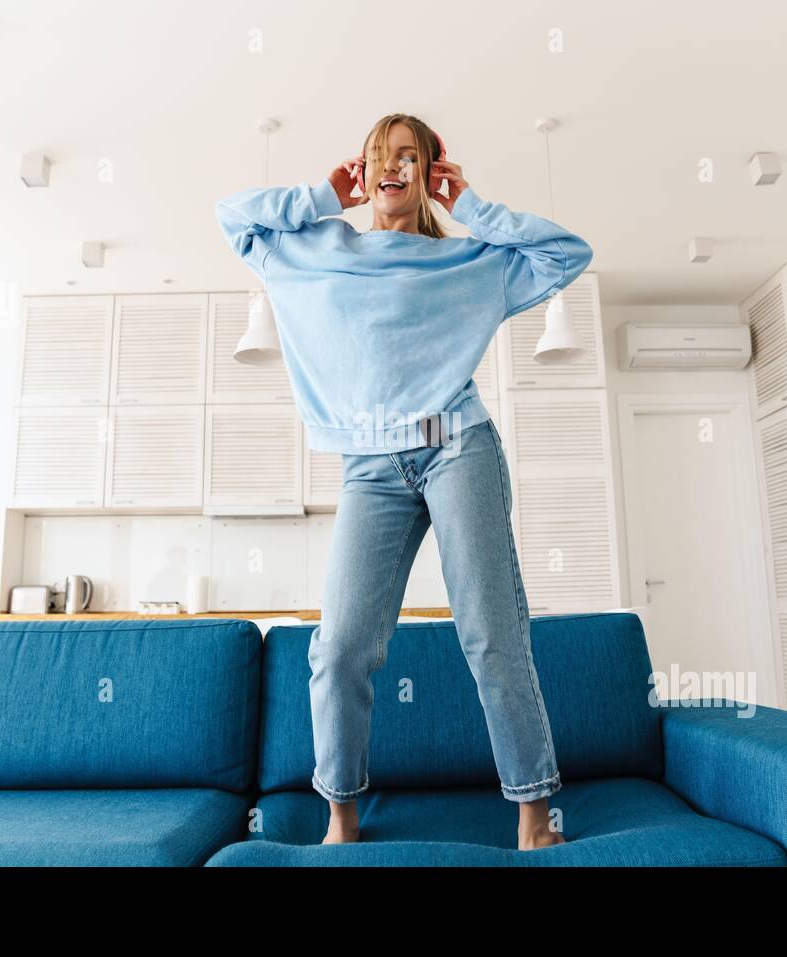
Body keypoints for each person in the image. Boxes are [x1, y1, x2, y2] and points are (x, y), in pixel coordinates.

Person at [215, 112, 592, 850]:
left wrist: (471, 205)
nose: (392, 165)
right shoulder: (318, 250)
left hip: (458, 446)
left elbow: (567, 254)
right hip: (370, 466)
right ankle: (342, 815)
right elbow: (233, 221)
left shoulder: (469, 260)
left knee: (491, 632)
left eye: (408, 155)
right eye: (378, 155)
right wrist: (318, 197)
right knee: (342, 643)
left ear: (428, 171)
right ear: (361, 170)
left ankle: (533, 809)